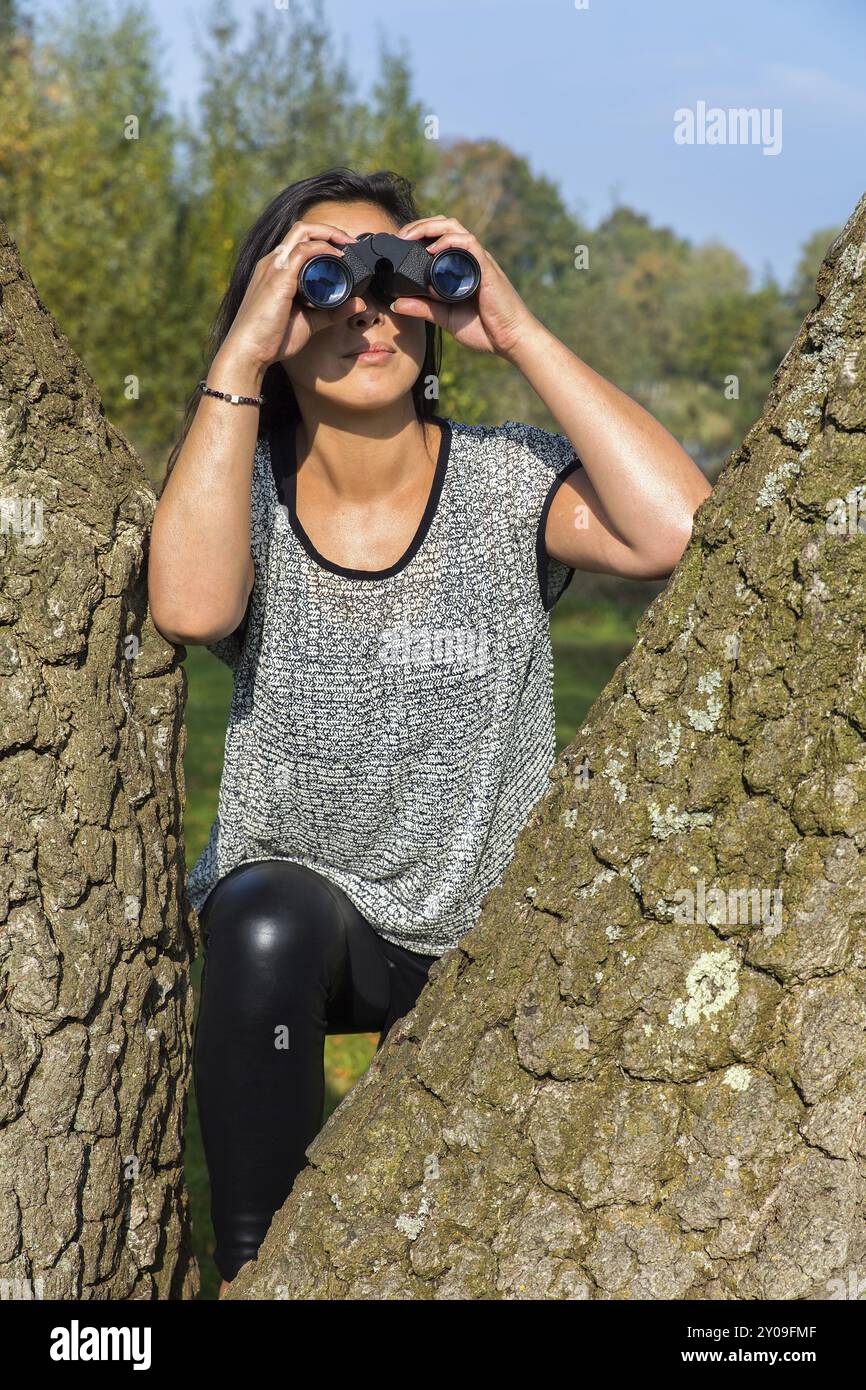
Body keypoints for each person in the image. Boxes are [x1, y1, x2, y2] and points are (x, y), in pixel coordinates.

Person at [147, 167, 711, 1295]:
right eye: (326, 281)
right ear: (275, 312)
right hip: (303, 939)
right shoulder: (240, 492)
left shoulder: (507, 477)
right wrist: (240, 356)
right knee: (260, 912)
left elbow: (682, 530)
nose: (364, 311)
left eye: (388, 277)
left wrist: (518, 328)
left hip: (483, 939)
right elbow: (193, 607)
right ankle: (252, 1274)